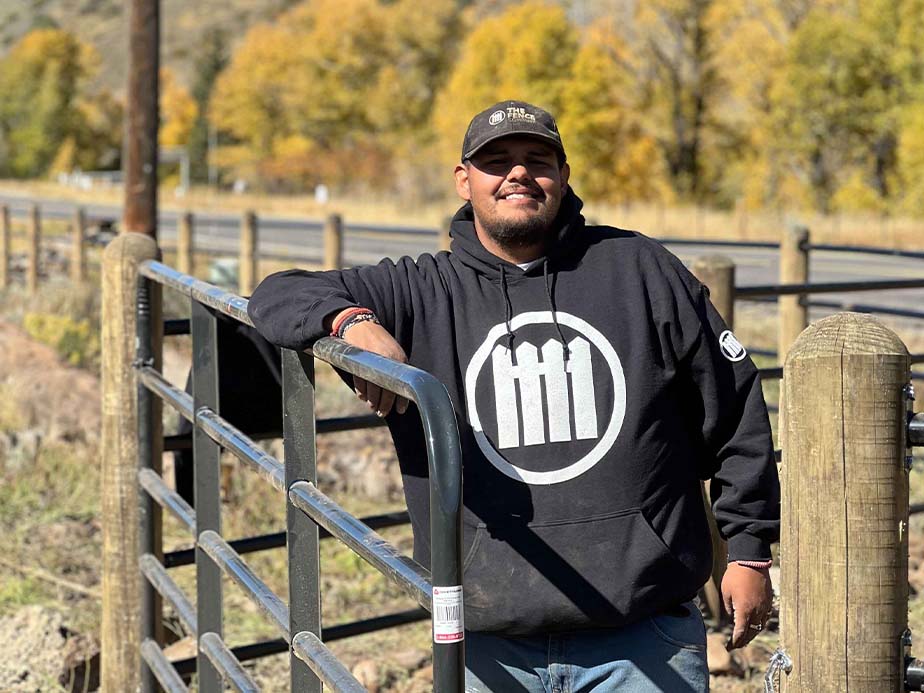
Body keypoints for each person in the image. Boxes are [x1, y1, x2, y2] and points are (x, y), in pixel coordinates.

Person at [247, 100, 780, 692]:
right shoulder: (423, 290)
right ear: (464, 179)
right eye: (496, 161)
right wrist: (350, 322)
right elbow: (277, 295)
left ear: (564, 174)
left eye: (537, 160)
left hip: (641, 636)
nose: (518, 173)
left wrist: (750, 550)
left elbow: (734, 410)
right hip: (488, 644)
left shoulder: (641, 270)